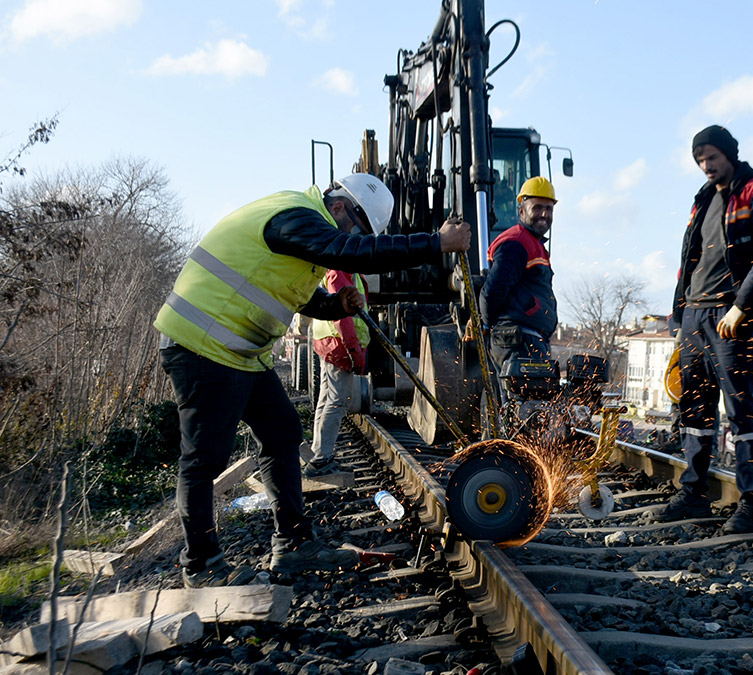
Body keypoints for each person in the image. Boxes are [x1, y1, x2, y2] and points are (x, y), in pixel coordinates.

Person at [154, 173, 470, 587]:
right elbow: (352, 252)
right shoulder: (295, 218)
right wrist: (435, 243)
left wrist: (333, 303)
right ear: (339, 206)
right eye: (359, 228)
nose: (357, 237)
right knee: (205, 458)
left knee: (283, 435)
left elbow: (298, 296)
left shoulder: (304, 236)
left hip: (239, 352)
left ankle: (294, 545)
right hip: (202, 344)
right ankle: (202, 565)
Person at [656, 125, 753, 534]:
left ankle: (750, 502)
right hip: (696, 315)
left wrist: (742, 306)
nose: (706, 166)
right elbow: (688, 261)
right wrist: (678, 318)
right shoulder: (702, 202)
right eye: (700, 160)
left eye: (711, 157)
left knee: (740, 413)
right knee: (694, 412)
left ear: (730, 154)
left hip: (731, 317)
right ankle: (694, 491)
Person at [478, 176, 558, 383]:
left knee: (529, 404)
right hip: (516, 341)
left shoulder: (531, 243)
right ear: (521, 210)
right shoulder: (516, 242)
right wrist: (487, 326)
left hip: (527, 339)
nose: (544, 214)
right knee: (522, 405)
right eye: (537, 207)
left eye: (549, 209)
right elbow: (492, 291)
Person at [304, 267, 370, 477]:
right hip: (339, 344)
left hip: (332, 343)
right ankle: (322, 460)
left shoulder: (340, 269)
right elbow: (343, 315)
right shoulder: (339, 270)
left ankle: (320, 456)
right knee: (336, 401)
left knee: (327, 400)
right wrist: (353, 348)